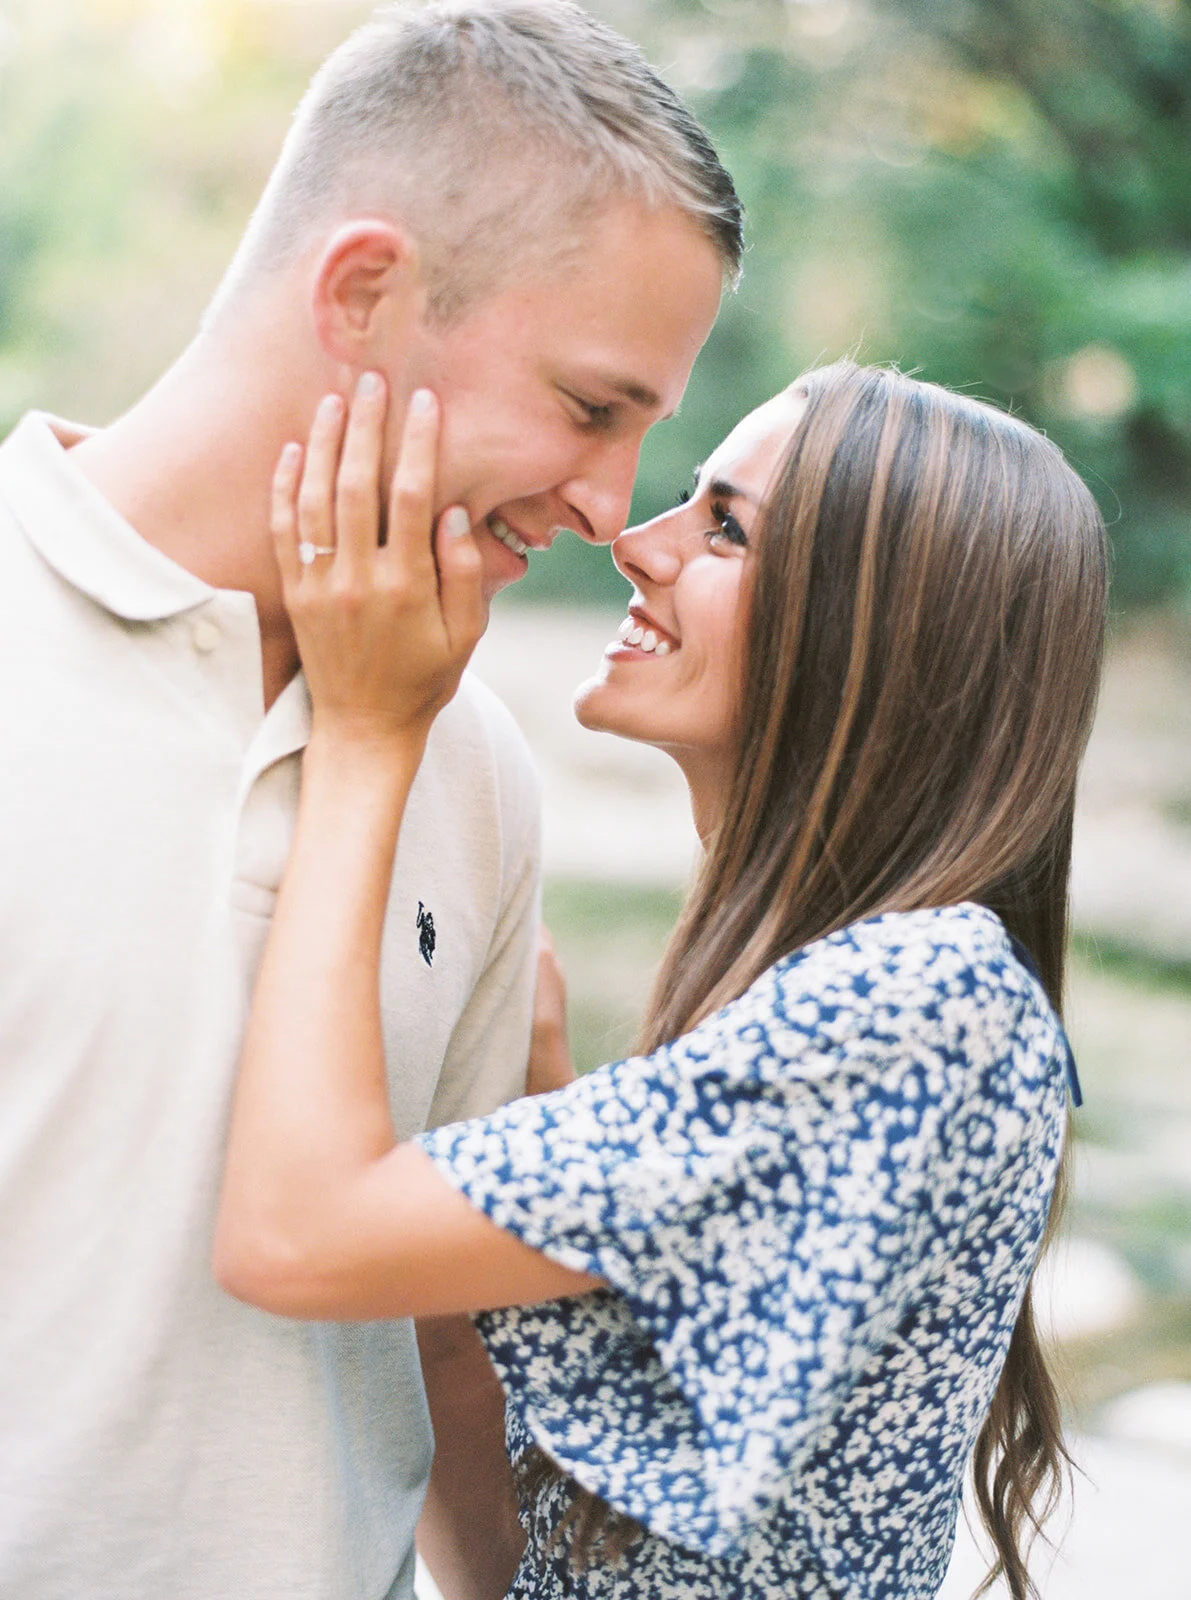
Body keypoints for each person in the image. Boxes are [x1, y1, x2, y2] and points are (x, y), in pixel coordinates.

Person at [0, 4, 742, 1597]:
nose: (612, 510)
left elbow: (448, 1333)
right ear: (364, 294)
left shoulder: (470, 764)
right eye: (590, 407)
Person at [214, 358, 1109, 1600]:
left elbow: (287, 1235)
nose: (638, 542)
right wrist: (520, 1121)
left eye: (726, 527)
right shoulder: (818, 1015)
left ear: (871, 635)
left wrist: (369, 736)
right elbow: (540, 1558)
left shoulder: (923, 1001)